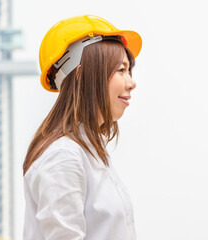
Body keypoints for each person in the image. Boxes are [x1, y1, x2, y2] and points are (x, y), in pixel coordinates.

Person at [22, 15, 142, 240]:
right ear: (81, 75)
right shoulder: (63, 158)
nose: (131, 82)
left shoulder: (86, 152)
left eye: (129, 71)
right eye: (121, 69)